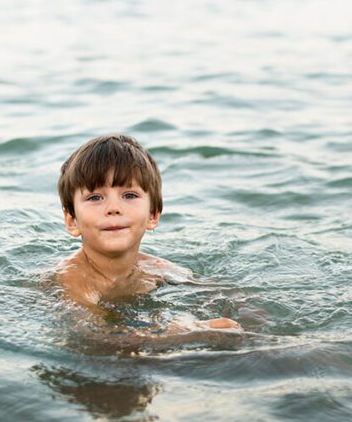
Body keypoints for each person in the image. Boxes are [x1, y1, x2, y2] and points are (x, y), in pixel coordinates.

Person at [55, 134, 240, 344]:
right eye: (95, 198)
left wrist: (248, 317)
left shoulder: (155, 268)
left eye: (129, 196)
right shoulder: (73, 279)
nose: (114, 208)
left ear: (153, 215)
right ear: (72, 221)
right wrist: (184, 331)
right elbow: (93, 335)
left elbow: (226, 296)